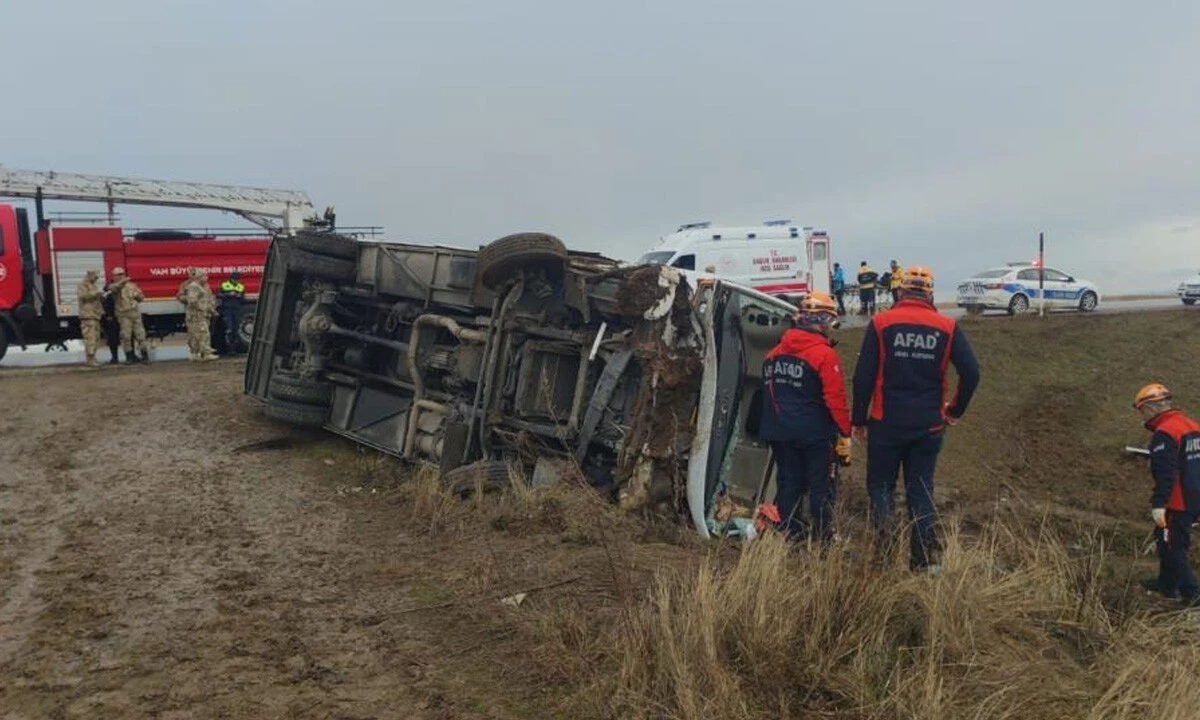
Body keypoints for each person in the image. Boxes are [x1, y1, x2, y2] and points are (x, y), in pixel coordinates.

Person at [851, 266, 980, 571]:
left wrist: (859, 420)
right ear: (930, 294)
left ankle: (886, 545)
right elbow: (972, 373)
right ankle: (921, 562)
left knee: (881, 486)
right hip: (929, 425)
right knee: (920, 489)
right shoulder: (947, 327)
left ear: (900, 291)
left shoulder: (881, 323)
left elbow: (863, 377)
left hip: (886, 422)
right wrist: (954, 411)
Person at [758, 291, 852, 543]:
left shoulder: (772, 356)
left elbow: (766, 396)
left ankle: (791, 538)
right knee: (821, 488)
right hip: (815, 435)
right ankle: (823, 542)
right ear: (824, 321)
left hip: (780, 433)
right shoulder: (824, 356)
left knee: (789, 484)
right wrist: (845, 433)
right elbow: (835, 400)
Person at [1134, 383, 1200, 606]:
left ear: (1152, 408)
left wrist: (1159, 503)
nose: (1142, 416)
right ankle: (1166, 582)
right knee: (1164, 540)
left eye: (1142, 410)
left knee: (1173, 546)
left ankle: (1191, 595)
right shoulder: (1191, 426)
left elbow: (1166, 473)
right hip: (1195, 496)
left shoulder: (1165, 433)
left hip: (1177, 501)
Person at [110, 267, 150, 364]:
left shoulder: (132, 286)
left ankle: (145, 356)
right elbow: (114, 289)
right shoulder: (114, 287)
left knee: (140, 335)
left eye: (122, 274)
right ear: (114, 277)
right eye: (118, 275)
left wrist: (138, 296)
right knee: (126, 336)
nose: (120, 276)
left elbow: (141, 297)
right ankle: (129, 357)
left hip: (135, 313)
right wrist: (122, 282)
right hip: (124, 315)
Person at [177, 269, 218, 361]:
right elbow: (190, 300)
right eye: (204, 276)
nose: (206, 278)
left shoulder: (205, 286)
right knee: (200, 333)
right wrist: (201, 307)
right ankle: (202, 353)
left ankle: (202, 352)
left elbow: (209, 297)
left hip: (204, 313)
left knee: (203, 333)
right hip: (196, 314)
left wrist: (212, 309)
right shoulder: (192, 286)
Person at [76, 269, 105, 368]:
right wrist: (96, 294)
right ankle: (90, 359)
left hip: (95, 315)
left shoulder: (94, 286)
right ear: (89, 275)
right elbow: (83, 296)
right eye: (95, 277)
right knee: (90, 338)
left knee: (96, 338)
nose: (96, 279)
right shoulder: (82, 284)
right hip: (87, 315)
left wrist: (101, 296)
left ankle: (93, 358)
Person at [219, 271, 247, 354]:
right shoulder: (225, 285)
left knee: (236, 329)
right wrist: (229, 294)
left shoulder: (240, 286)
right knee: (229, 329)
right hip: (227, 309)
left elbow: (243, 299)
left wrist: (239, 296)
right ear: (231, 278)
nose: (237, 281)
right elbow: (219, 295)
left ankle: (234, 349)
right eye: (235, 279)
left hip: (237, 309)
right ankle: (229, 349)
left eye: (238, 279)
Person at [101, 276, 121, 364]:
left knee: (126, 337)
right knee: (112, 339)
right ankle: (114, 358)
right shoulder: (108, 291)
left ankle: (130, 356)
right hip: (111, 318)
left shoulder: (122, 290)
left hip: (120, 316)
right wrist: (108, 315)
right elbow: (105, 304)